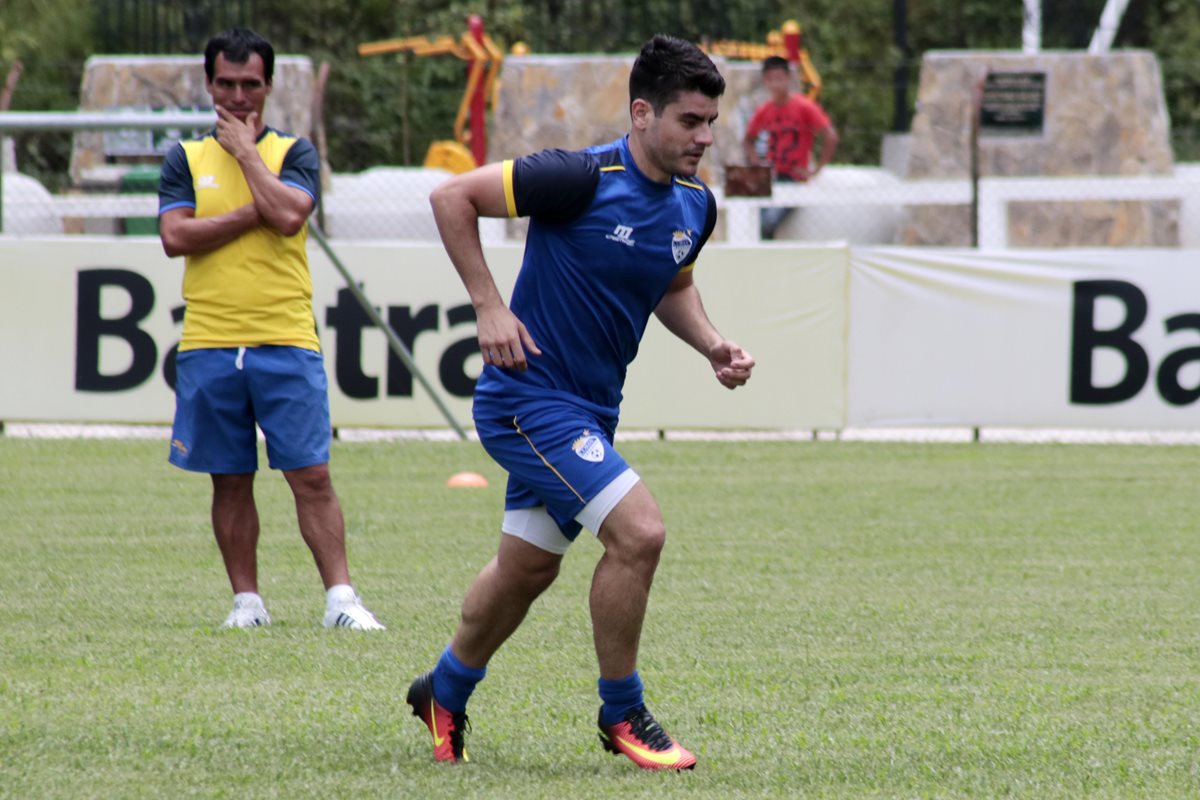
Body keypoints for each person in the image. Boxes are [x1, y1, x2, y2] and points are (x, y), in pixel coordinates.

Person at [407, 34, 755, 770]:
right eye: (689, 121)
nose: (703, 138)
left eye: (709, 123)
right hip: (526, 401)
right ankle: (622, 712)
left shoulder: (696, 206)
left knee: (526, 571)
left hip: (590, 412)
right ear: (641, 114)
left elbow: (671, 284)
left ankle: (445, 687)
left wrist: (714, 346)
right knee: (641, 532)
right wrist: (488, 306)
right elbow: (450, 196)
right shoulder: (578, 177)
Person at [156, 28, 383, 631]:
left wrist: (249, 158)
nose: (237, 96)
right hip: (208, 341)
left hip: (285, 337)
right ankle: (247, 604)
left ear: (268, 86)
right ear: (208, 84)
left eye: (249, 84)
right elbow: (175, 237)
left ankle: (341, 600)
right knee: (228, 480)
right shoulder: (184, 156)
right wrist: (256, 209)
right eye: (225, 84)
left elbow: (287, 217)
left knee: (310, 475)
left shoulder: (293, 153)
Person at [741, 55, 839, 240]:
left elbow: (830, 135)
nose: (775, 84)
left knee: (768, 222)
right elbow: (748, 139)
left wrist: (816, 170)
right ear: (765, 81)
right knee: (748, 219)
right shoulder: (765, 110)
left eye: (779, 78)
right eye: (771, 79)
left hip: (793, 176)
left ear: (788, 78)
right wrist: (757, 164)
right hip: (770, 176)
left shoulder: (804, 106)